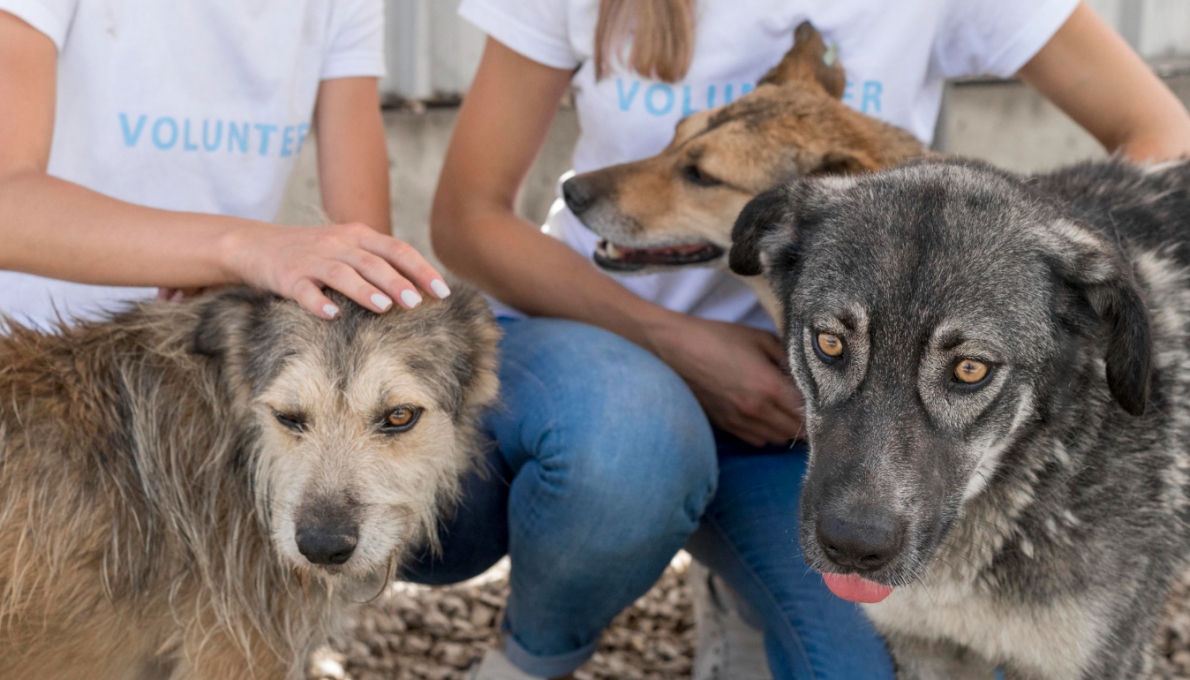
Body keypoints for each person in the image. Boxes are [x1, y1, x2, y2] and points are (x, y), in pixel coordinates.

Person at [413, 1, 1190, 679]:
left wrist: (1020, 264)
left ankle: (739, 578)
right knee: (627, 447)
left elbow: (1163, 133)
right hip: (605, 371)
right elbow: (464, 217)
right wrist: (681, 342)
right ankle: (533, 655)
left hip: (795, 415)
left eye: (701, 175)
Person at [0, 0, 449, 332]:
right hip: (33, 364)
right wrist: (240, 251)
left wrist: (254, 270)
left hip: (207, 358)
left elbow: (361, 253)